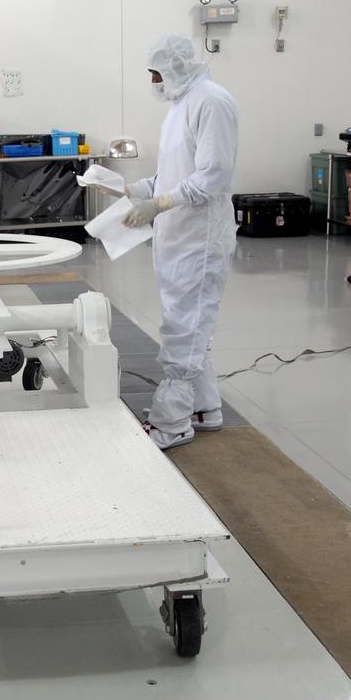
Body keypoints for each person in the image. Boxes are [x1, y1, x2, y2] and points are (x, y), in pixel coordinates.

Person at [122, 34, 239, 449]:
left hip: (200, 237)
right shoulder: (179, 107)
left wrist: (160, 203)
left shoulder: (212, 102)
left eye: (156, 73)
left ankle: (172, 423)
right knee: (186, 322)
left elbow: (213, 176)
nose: (153, 81)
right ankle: (205, 407)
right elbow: (173, 172)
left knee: (185, 327)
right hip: (176, 236)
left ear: (174, 67)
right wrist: (134, 189)